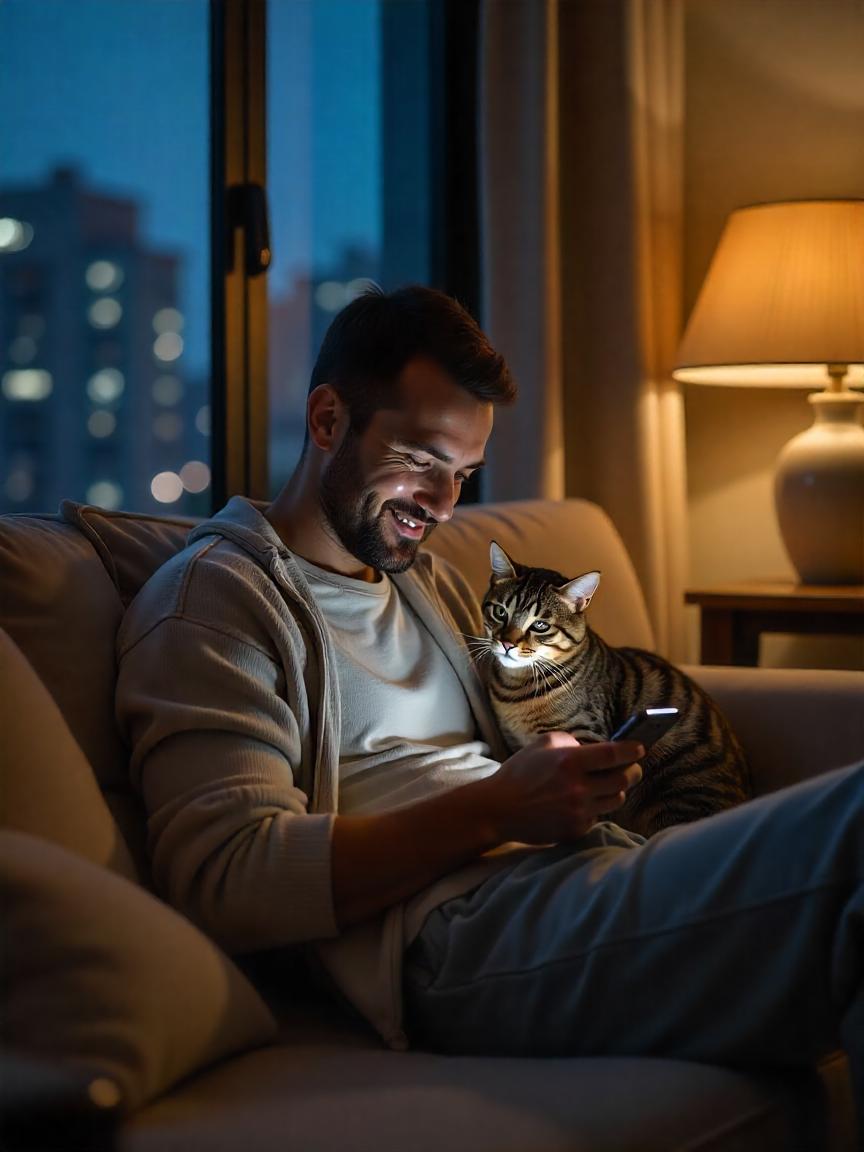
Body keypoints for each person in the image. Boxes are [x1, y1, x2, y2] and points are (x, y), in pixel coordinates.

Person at [116, 286, 862, 1116]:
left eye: (463, 474)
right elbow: (225, 879)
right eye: (423, 461)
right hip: (459, 937)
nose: (442, 505)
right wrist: (495, 811)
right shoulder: (214, 603)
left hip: (583, 870)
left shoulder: (427, 586)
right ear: (328, 421)